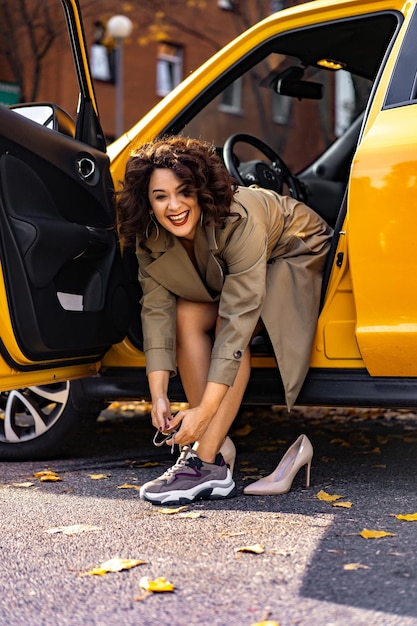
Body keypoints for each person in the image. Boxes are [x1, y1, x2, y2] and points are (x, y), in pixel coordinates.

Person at [117, 135, 333, 506]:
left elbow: (236, 326)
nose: (174, 206)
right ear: (147, 202)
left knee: (224, 328)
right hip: (240, 270)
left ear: (201, 190)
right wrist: (158, 395)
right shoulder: (149, 237)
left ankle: (205, 461)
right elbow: (156, 312)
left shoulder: (237, 217)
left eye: (184, 191)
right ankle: (214, 446)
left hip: (296, 250)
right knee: (184, 312)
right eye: (160, 196)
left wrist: (202, 411)